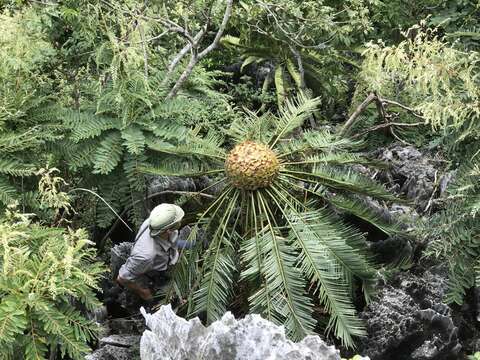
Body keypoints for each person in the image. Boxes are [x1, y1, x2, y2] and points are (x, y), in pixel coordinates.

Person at [116, 203, 186, 301]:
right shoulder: (145, 255)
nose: (181, 220)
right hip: (154, 275)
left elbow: (173, 240)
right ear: (168, 230)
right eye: (179, 220)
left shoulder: (155, 222)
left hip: (167, 258)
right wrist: (144, 292)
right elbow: (122, 278)